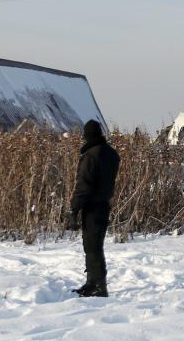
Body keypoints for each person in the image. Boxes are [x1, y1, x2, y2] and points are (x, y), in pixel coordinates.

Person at [69, 119, 120, 297]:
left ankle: (98, 286)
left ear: (87, 136)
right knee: (95, 245)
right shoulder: (112, 154)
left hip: (92, 206)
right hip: (104, 204)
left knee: (92, 246)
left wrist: (73, 209)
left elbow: (83, 186)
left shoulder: (91, 155)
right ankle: (92, 282)